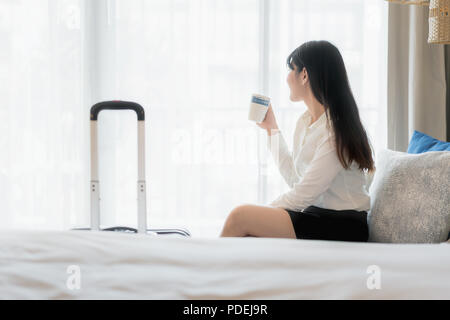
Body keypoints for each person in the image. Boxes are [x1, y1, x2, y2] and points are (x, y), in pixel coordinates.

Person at [220, 40, 375, 242]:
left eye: (291, 69)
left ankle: (207, 270)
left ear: (304, 75)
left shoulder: (335, 132)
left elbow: (303, 194)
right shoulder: (304, 123)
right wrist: (272, 129)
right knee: (245, 223)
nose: (286, 78)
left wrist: (262, 213)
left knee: (239, 217)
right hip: (316, 214)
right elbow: (296, 180)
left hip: (344, 225)